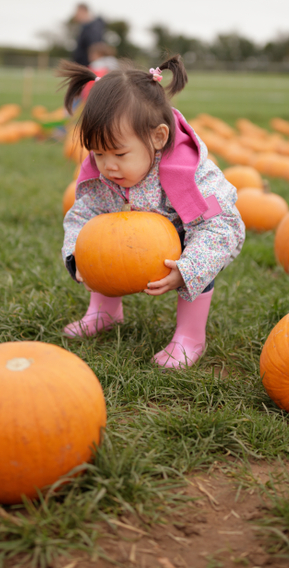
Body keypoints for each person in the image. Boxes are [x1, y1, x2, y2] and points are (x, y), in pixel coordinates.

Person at [59, 55, 245, 369]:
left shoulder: (190, 175)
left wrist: (187, 270)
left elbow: (220, 225)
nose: (108, 165)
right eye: (99, 153)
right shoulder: (101, 173)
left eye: (119, 153)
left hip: (187, 242)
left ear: (158, 137)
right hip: (128, 243)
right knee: (101, 240)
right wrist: (77, 256)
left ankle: (190, 335)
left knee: (200, 254)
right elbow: (83, 215)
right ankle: (104, 311)